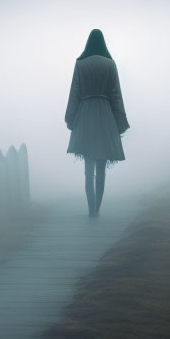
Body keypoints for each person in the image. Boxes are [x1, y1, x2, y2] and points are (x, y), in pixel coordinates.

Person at [64, 29, 130, 217]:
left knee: (88, 170)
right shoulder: (110, 64)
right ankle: (97, 210)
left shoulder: (80, 64)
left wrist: (70, 118)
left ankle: (91, 209)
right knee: (101, 169)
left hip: (85, 116)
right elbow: (116, 95)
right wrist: (120, 123)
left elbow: (74, 92)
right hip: (105, 116)